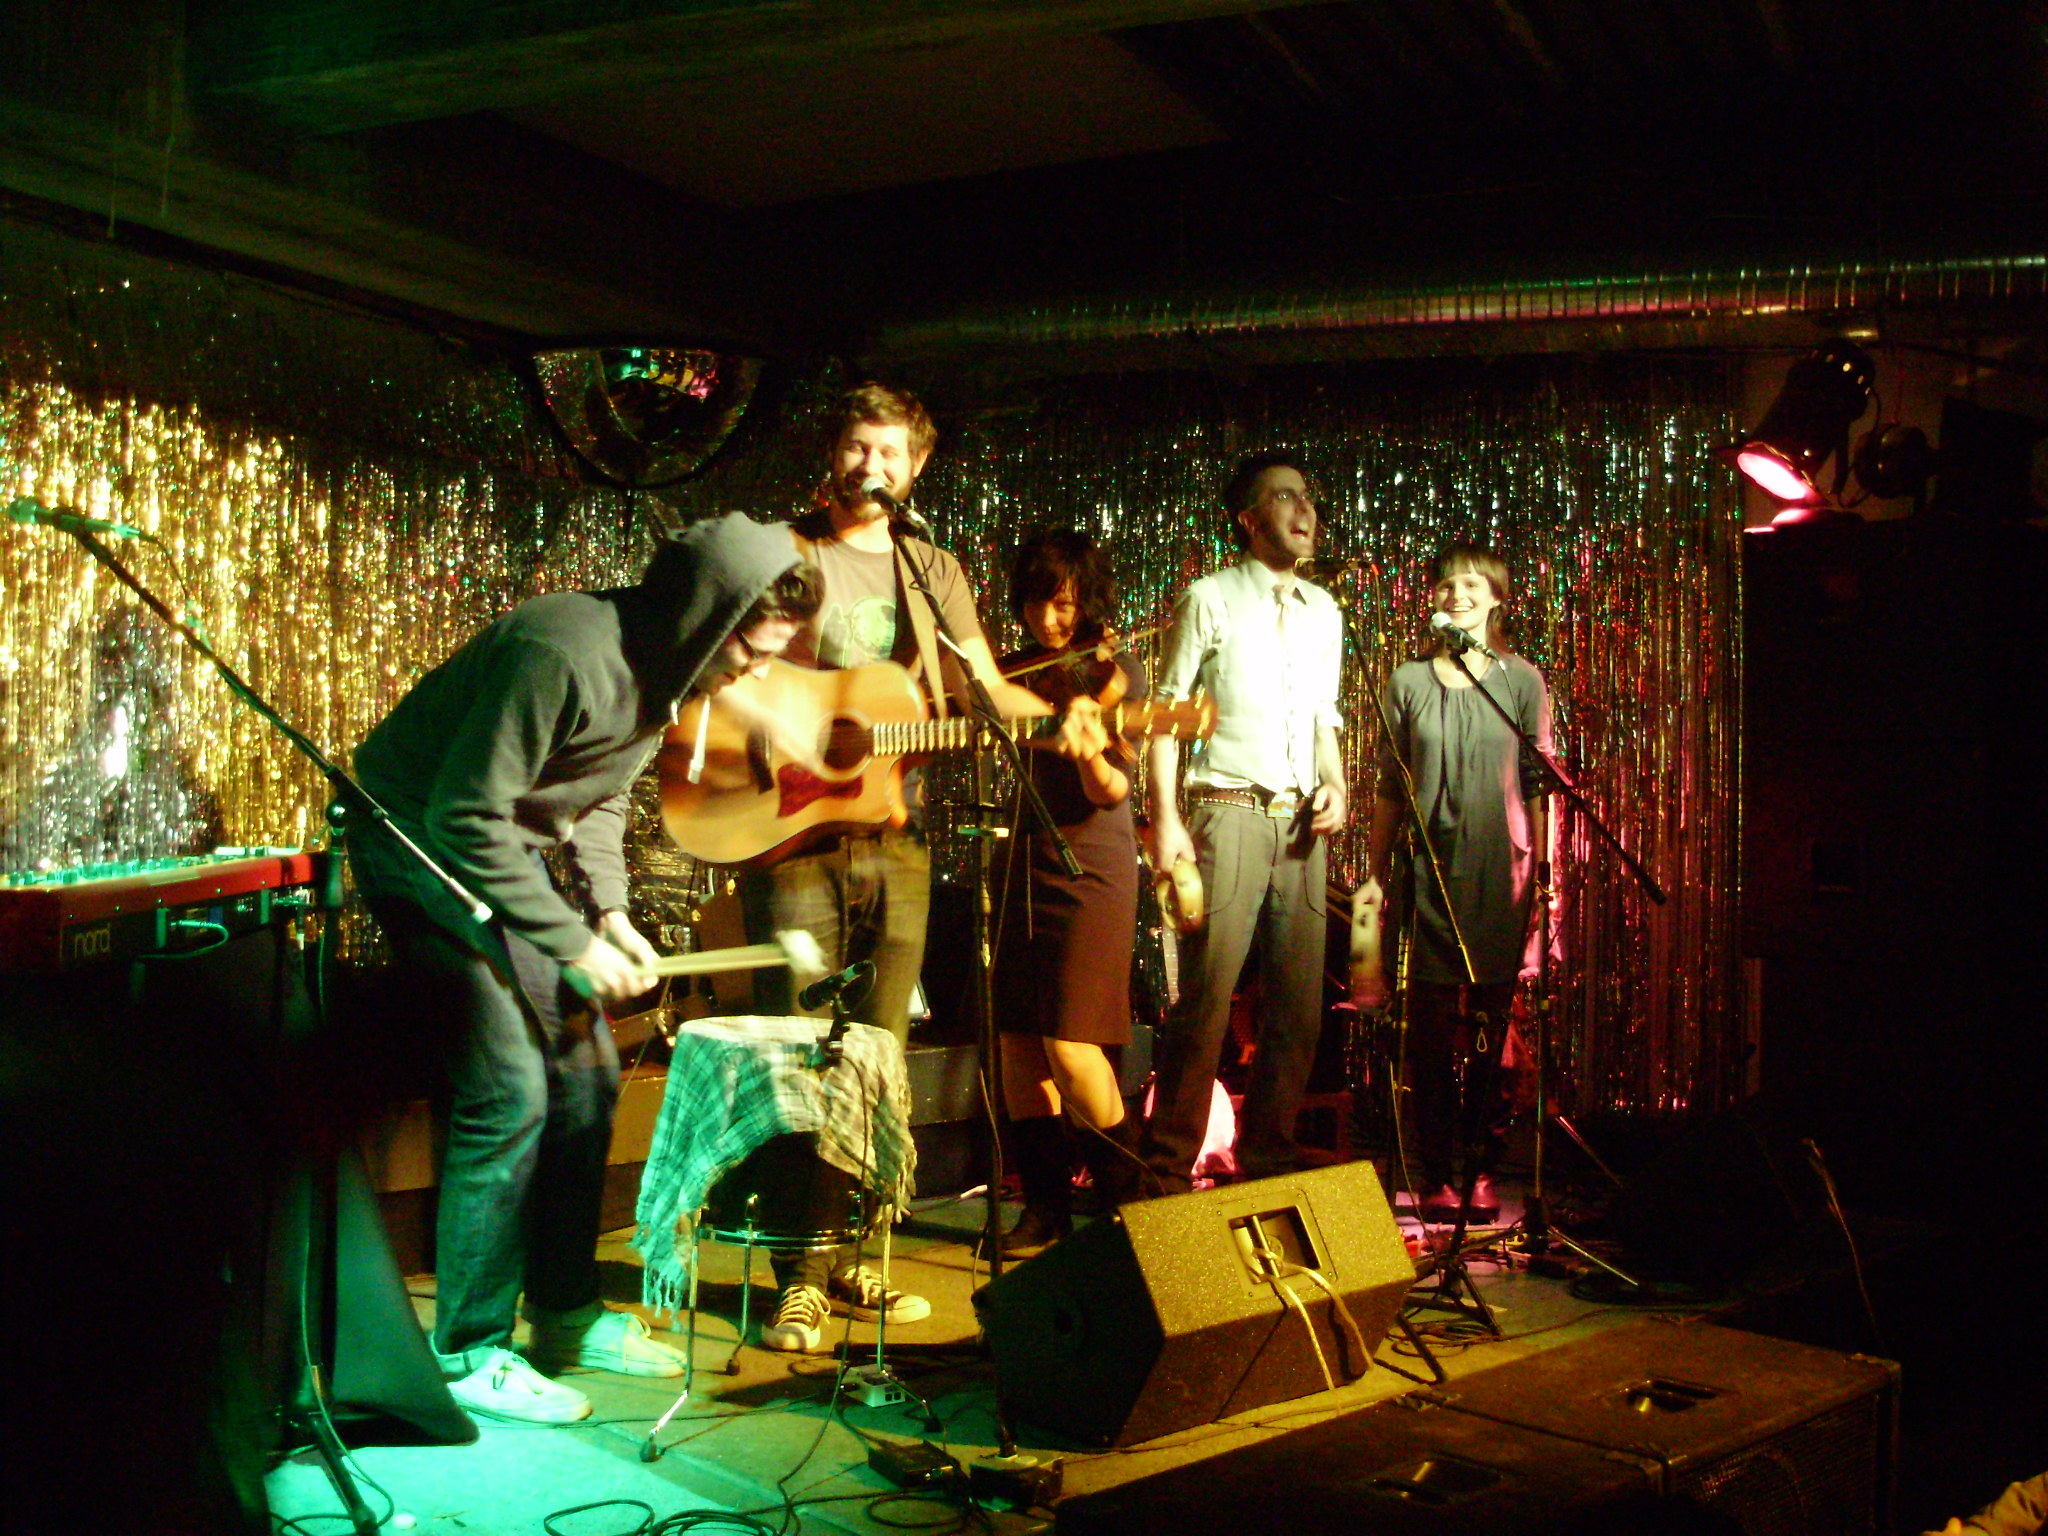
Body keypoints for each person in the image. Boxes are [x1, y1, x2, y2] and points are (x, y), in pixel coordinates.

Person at [349, 512, 821, 1423]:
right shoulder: (560, 650)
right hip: (413, 833)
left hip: (496, 841)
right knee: (509, 1086)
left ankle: (562, 1312)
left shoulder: (669, 672)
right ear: (702, 616)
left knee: (589, 1071)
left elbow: (595, 798)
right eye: (751, 652)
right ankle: (468, 1351)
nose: (756, 673)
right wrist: (571, 946)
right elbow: (462, 816)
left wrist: (610, 912)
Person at [737, 382, 1085, 1349]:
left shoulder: (931, 569)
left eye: (891, 454)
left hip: (897, 842)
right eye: (858, 448)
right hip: (788, 835)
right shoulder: (782, 550)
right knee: (803, 1059)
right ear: (834, 450)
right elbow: (722, 674)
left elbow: (981, 684)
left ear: (917, 467)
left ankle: (849, 1257)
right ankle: (796, 1273)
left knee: (874, 1061)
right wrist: (807, 730)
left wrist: (1062, 722)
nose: (872, 469)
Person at [1139, 452, 1349, 1195]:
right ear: (1250, 518)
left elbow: (1325, 715)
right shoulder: (1211, 596)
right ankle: (1165, 1173)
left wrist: (1338, 782)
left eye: (1309, 496)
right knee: (1205, 1001)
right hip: (1226, 812)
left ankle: (1267, 1163)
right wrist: (1165, 823)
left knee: (1297, 1004)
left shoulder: (1325, 611)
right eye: (1285, 497)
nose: (1305, 510)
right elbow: (1165, 716)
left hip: (1300, 826)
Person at [1354, 543, 1552, 1224]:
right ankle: (1437, 1174)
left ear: (1497, 597)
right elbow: (1387, 786)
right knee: (1433, 1039)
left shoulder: (1521, 680)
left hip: (1504, 877)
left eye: (1472, 584)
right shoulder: (1408, 682)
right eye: (1447, 584)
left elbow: (1537, 786)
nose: (1457, 593)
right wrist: (1374, 877)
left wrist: (1544, 880)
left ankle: (1485, 1170)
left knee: (1495, 1037)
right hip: (1429, 874)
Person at [989, 530, 1151, 1252]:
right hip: (1024, 859)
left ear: (1085, 600)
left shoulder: (1118, 671)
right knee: (1019, 1046)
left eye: (1061, 605)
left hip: (1089, 862)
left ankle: (1133, 1209)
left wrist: (1090, 756)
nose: (1048, 622)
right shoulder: (1014, 671)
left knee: (1072, 1044)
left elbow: (1113, 789)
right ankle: (1046, 1211)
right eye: (1035, 603)